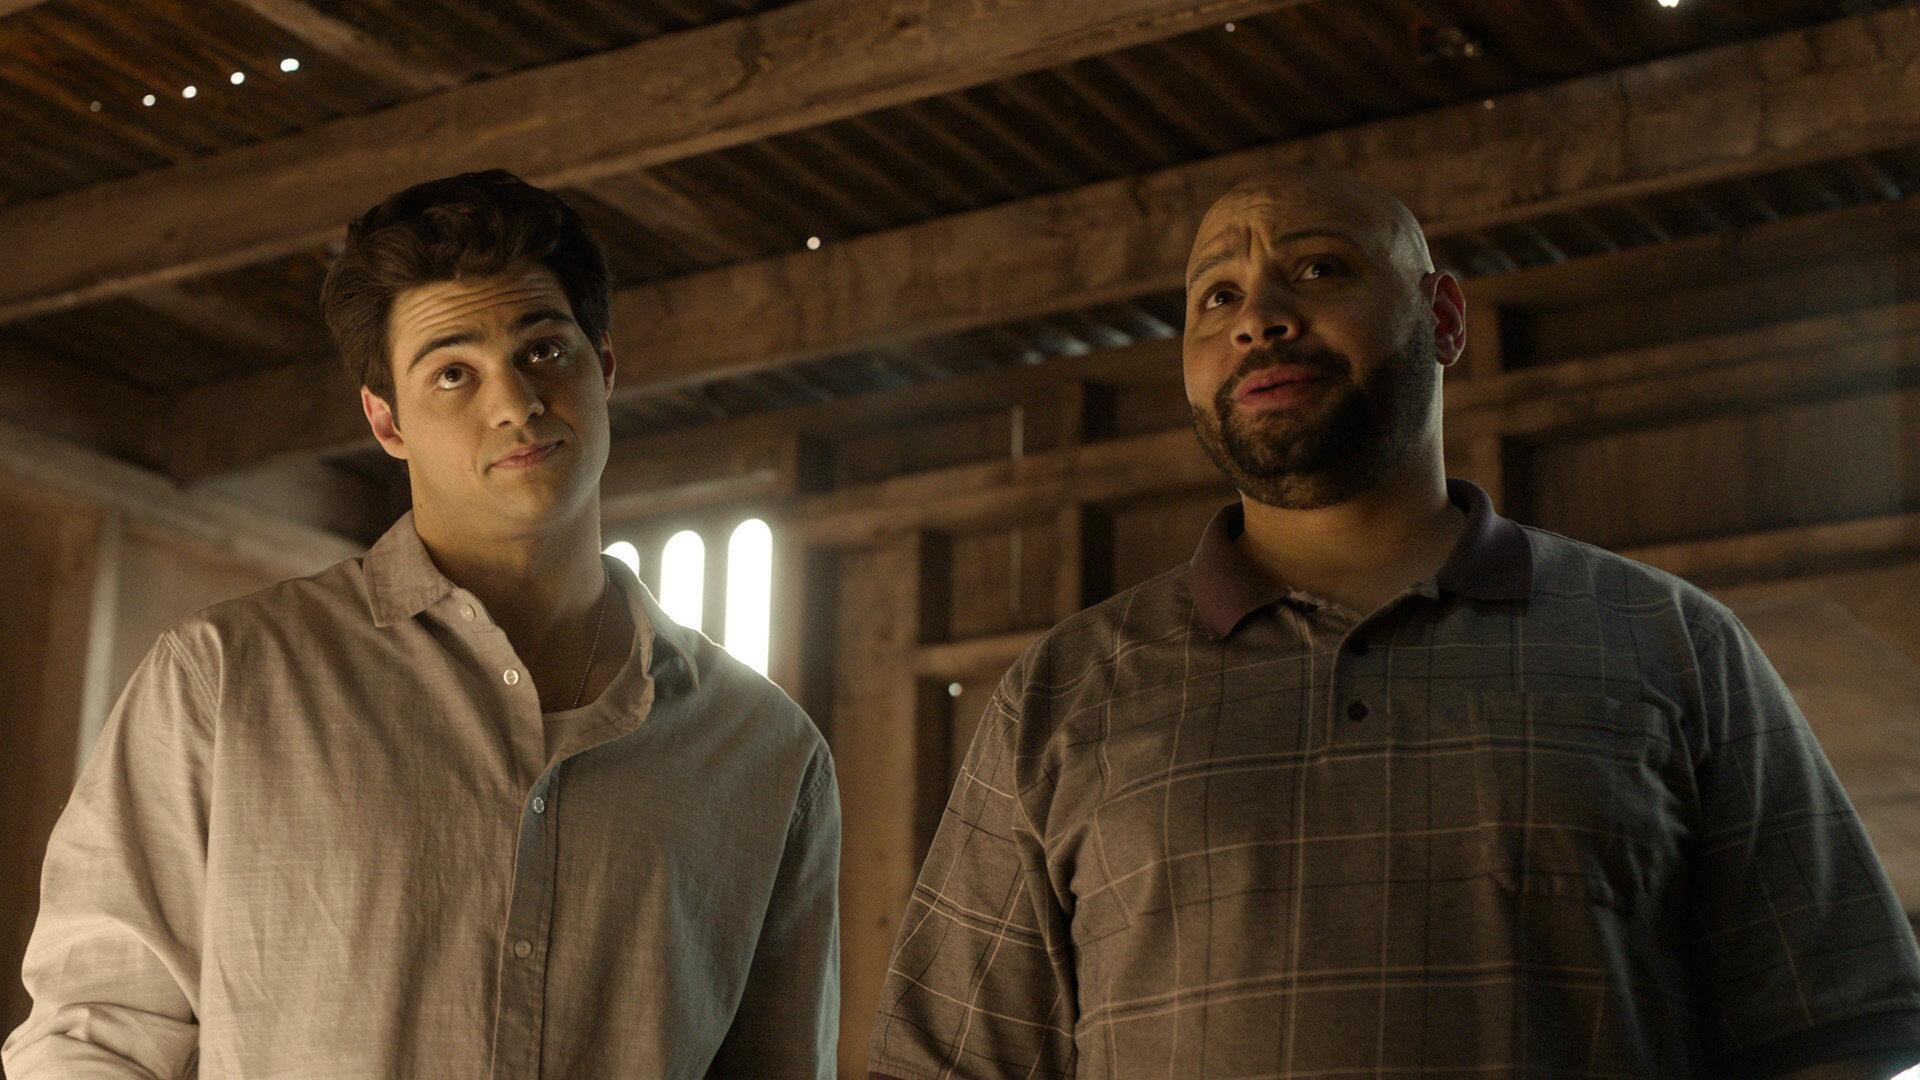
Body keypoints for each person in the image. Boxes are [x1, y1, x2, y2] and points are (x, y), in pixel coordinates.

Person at [867, 168, 1920, 1078]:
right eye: (1217, 295)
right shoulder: (1067, 692)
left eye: (1319, 269)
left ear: (1444, 318)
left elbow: (1829, 1029)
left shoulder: (1669, 643)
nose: (1258, 319)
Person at [5, 170, 839, 1077]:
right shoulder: (229, 680)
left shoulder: (763, 749)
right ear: (386, 421)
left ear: (603, 367)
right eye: (452, 373)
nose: (514, 403)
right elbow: (92, 1039)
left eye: (544, 351)